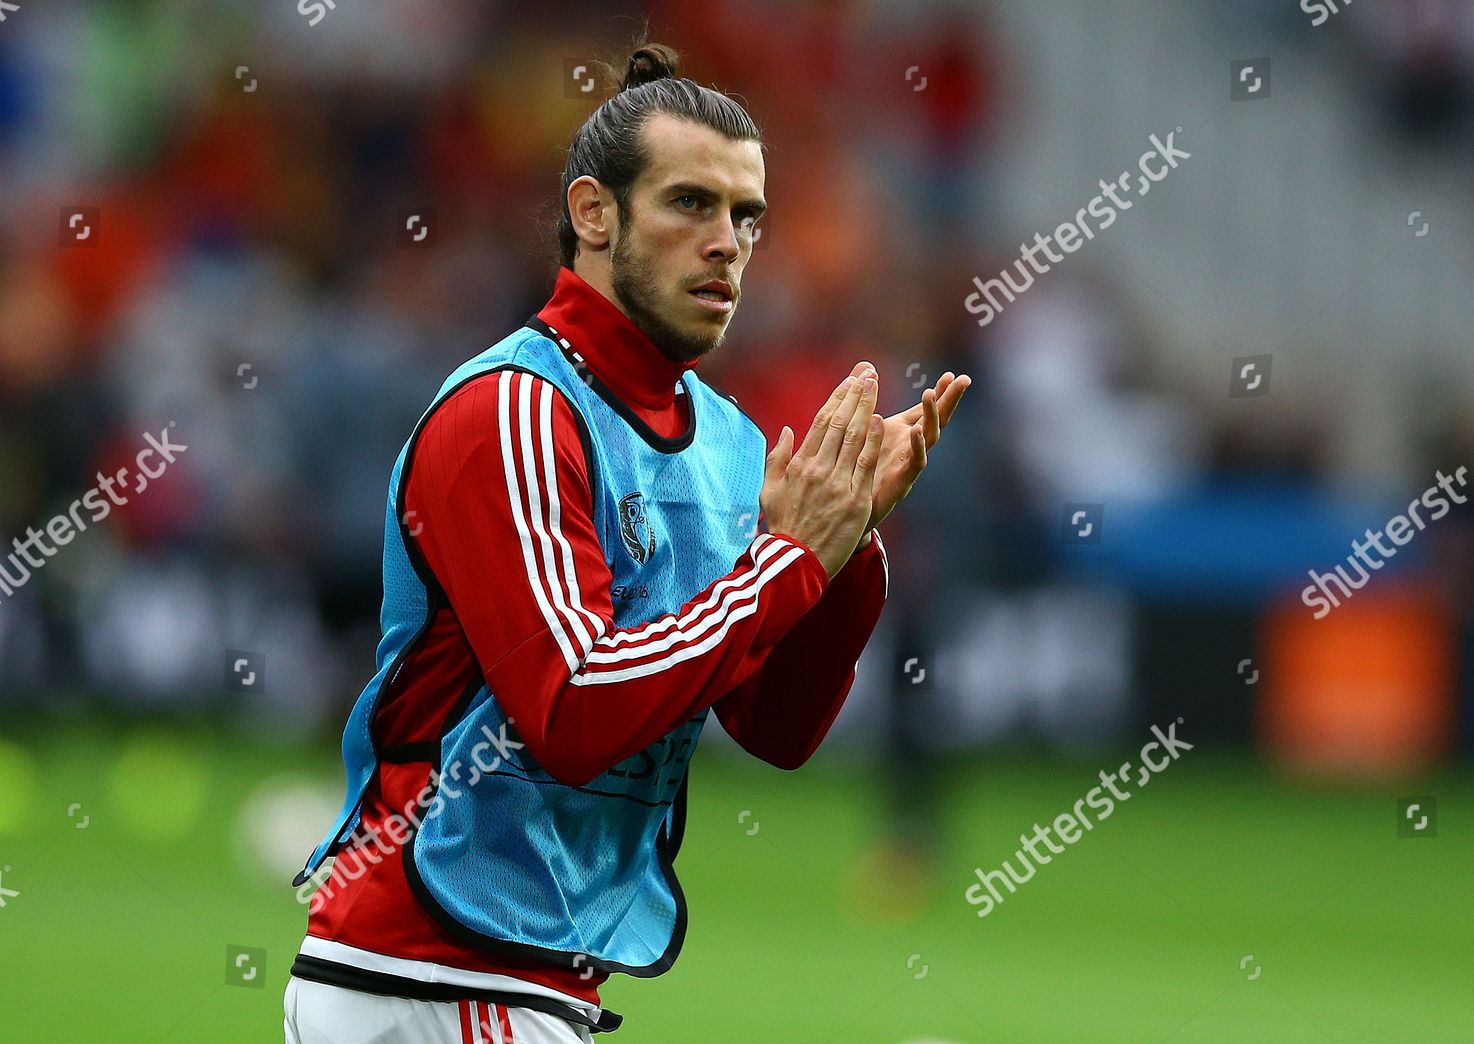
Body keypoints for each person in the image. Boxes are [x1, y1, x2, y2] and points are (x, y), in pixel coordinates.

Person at [283, 41, 970, 1043]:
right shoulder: (514, 411)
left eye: (747, 217)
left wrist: (843, 551)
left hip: (531, 979)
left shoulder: (728, 441)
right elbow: (573, 710)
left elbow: (775, 730)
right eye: (691, 203)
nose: (728, 241)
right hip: (428, 974)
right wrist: (787, 562)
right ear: (594, 213)